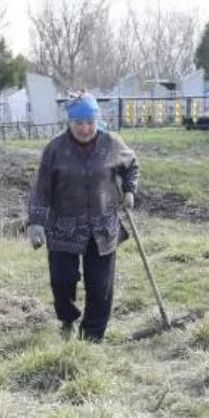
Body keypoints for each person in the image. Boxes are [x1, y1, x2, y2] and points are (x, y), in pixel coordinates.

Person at [26, 94, 140, 342]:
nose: (85, 128)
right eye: (79, 123)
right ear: (69, 123)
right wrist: (35, 222)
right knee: (62, 280)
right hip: (63, 226)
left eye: (89, 122)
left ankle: (91, 337)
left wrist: (130, 190)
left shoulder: (111, 143)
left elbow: (131, 164)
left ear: (96, 120)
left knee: (101, 287)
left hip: (102, 226)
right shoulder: (55, 149)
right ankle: (67, 318)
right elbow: (41, 188)